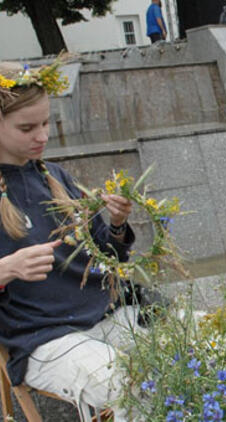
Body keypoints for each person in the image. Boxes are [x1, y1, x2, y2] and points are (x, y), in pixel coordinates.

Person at [0, 61, 139, 420]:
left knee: (201, 341)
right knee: (128, 382)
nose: (42, 136)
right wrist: (6, 269)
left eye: (46, 123)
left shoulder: (55, 177)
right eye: (27, 128)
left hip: (107, 314)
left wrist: (117, 224)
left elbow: (107, 259)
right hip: (43, 339)